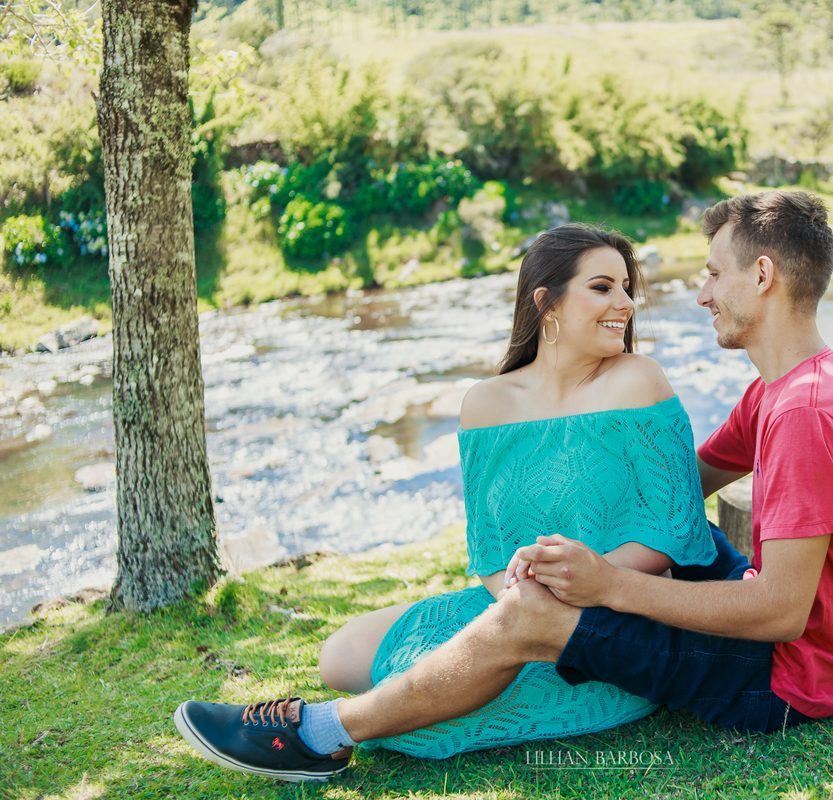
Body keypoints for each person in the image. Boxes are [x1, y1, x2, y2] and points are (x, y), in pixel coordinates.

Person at [174, 190, 833, 783]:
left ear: (764, 277)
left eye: (715, 273)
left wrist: (604, 586)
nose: (702, 291)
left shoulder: (806, 412)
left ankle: (317, 736)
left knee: (533, 619)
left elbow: (779, 611)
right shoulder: (785, 391)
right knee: (495, 617)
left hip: (793, 680)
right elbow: (686, 479)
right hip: (808, 653)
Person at [173, 223, 719, 780]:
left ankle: (317, 733)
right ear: (546, 302)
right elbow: (489, 549)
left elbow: (673, 529)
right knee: (338, 656)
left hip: (615, 616)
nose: (625, 304)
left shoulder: (638, 380)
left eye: (627, 288)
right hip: (514, 604)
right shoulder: (485, 405)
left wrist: (590, 577)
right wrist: (515, 593)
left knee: (420, 706)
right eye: (603, 287)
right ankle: (426, 688)